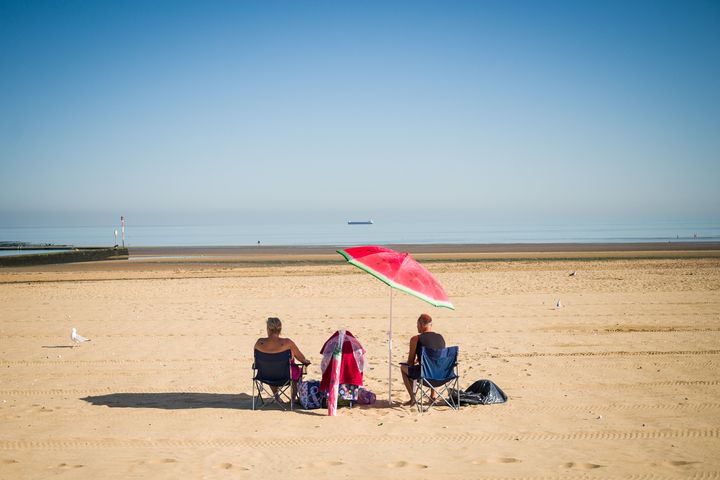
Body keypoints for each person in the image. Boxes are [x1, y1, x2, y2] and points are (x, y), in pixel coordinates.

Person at [254, 317, 310, 401]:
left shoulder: (259, 343)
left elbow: (256, 361)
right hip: (286, 376)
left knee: (270, 366)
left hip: (265, 375)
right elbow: (302, 359)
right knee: (297, 371)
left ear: (268, 329)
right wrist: (306, 362)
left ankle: (276, 397)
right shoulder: (287, 343)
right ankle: (293, 399)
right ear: (280, 329)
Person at [400, 313, 445, 406]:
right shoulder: (440, 337)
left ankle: (413, 398)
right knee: (434, 365)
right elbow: (438, 357)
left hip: (426, 376)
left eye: (417, 325)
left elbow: (410, 362)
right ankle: (433, 396)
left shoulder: (415, 339)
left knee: (403, 368)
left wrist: (414, 360)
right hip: (442, 375)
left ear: (421, 325)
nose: (416, 327)